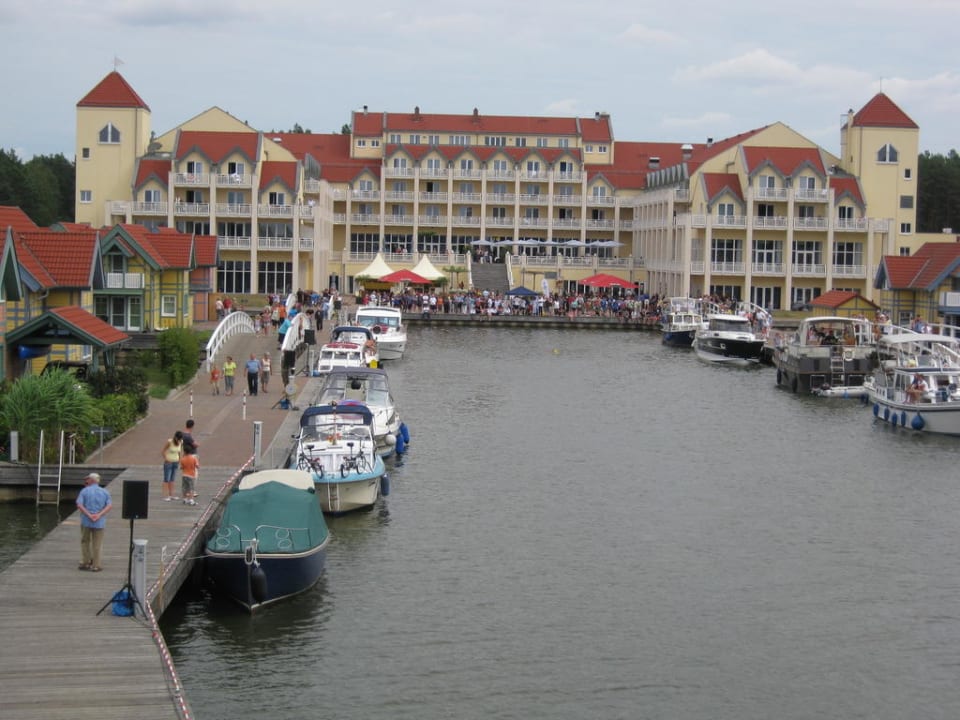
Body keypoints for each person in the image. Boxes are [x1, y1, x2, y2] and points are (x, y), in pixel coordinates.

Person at [77, 472, 112, 572]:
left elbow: (79, 505)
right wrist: (99, 515)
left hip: (86, 521)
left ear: (91, 480)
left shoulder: (84, 491)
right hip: (99, 522)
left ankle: (86, 562)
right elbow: (109, 506)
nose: (86, 481)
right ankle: (96, 565)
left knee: (85, 541)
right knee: (97, 544)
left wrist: (89, 515)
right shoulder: (105, 492)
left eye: (87, 479)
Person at [161, 431, 184, 501]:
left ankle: (171, 495)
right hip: (168, 462)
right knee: (166, 479)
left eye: (180, 439)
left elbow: (180, 452)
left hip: (176, 462)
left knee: (172, 479)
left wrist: (180, 460)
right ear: (176, 437)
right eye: (178, 439)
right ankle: (165, 495)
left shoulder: (181, 442)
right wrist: (166, 459)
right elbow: (163, 451)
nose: (179, 440)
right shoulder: (169, 441)